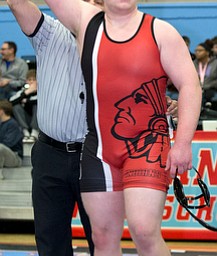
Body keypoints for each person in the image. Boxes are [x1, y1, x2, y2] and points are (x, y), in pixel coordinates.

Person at [43, 1, 202, 255]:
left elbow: (190, 86)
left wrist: (183, 143)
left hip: (148, 144)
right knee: (103, 236)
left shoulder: (161, 31)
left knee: (144, 231)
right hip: (100, 149)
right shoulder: (87, 20)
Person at [6, 1, 94, 255]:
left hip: (94, 154)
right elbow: (15, 3)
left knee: (102, 239)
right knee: (50, 239)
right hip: (50, 153)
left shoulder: (115, 40)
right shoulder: (50, 31)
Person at [9, 69, 38, 142]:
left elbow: (39, 101)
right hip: (26, 120)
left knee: (37, 105)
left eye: (34, 79)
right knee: (16, 106)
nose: (31, 81)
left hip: (39, 122)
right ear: (26, 81)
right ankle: (26, 133)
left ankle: (35, 132)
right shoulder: (23, 91)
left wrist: (27, 101)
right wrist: (27, 93)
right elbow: (11, 102)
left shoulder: (42, 91)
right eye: (29, 79)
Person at [0, 99, 23, 179]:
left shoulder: (13, 124)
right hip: (3, 156)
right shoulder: (1, 124)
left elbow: (8, 144)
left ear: (2, 111)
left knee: (0, 147)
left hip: (15, 157)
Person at [194, 42, 217, 107]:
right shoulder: (193, 64)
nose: (197, 52)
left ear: (207, 52)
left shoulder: (215, 63)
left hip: (211, 90)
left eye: (200, 50)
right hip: (195, 90)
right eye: (196, 51)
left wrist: (209, 85)